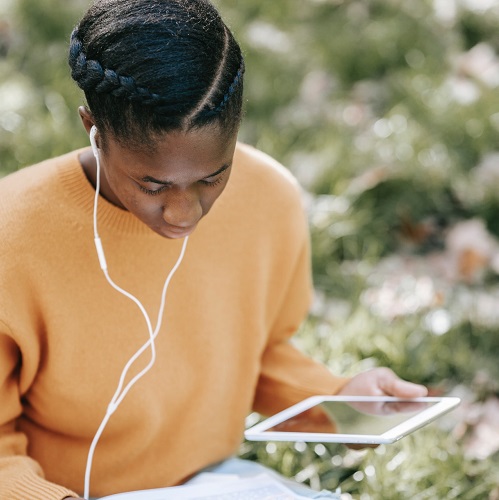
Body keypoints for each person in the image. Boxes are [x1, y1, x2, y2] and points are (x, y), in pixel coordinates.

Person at [0, 1, 427, 499]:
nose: (185, 214)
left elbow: (254, 354)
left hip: (215, 485)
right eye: (153, 185)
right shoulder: (14, 236)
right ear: (92, 128)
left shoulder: (270, 199)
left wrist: (338, 399)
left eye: (211, 178)